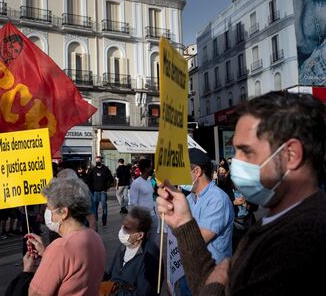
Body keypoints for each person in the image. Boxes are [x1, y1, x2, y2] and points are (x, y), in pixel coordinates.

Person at [156, 91, 326, 295]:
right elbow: (205, 284)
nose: (235, 163)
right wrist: (184, 223)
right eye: (235, 151)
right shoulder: (275, 223)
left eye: (246, 151)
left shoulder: (300, 241)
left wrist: (219, 282)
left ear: (291, 155)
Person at [21, 177, 105, 295]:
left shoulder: (61, 247)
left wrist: (27, 270)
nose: (48, 214)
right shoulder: (94, 237)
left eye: (50, 209)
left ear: (64, 213)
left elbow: (36, 293)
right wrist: (47, 255)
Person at [169, 149, 234, 295]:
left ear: (197, 171)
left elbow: (197, 239)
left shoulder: (218, 199)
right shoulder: (189, 199)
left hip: (212, 277)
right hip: (189, 274)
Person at [106, 206, 161, 295]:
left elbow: (145, 292)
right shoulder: (122, 247)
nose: (122, 230)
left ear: (140, 235)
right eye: (123, 224)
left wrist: (116, 291)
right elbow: (111, 275)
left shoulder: (149, 257)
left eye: (127, 228)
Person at [88, 156, 113, 227]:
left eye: (98, 161)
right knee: (94, 208)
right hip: (95, 192)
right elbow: (89, 180)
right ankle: (95, 221)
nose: (97, 162)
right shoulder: (93, 170)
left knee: (104, 207)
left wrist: (107, 187)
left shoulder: (105, 169)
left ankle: (104, 222)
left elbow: (110, 178)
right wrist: (92, 188)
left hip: (103, 191)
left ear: (101, 161)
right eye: (96, 161)